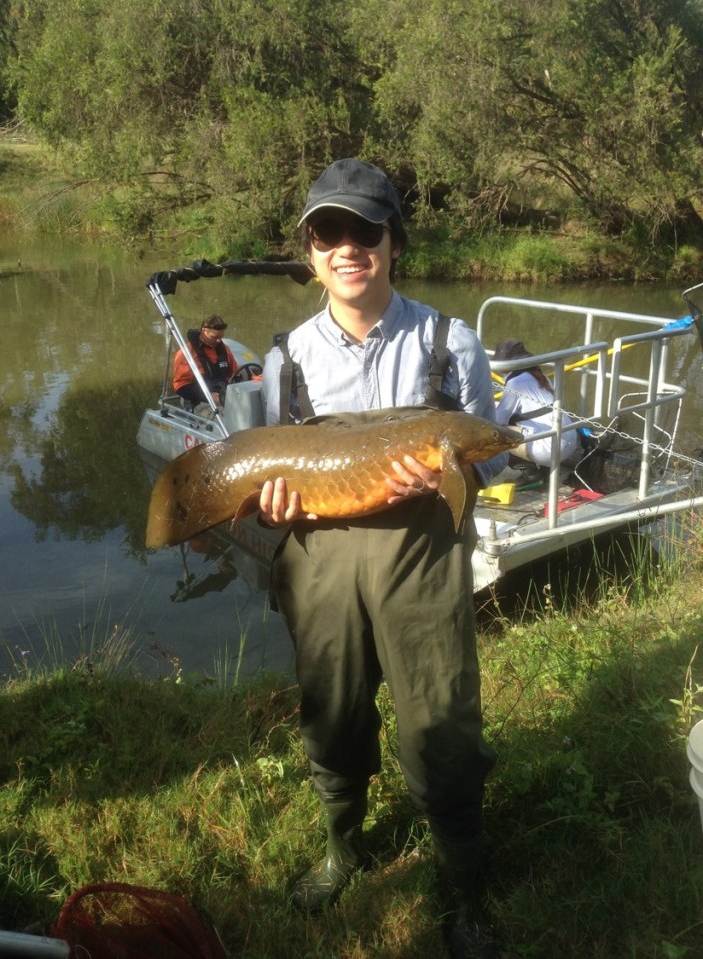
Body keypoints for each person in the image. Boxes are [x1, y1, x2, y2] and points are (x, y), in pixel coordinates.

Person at [260, 157, 505, 958]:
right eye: (329, 231)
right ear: (310, 252)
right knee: (330, 708)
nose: (347, 246)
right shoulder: (284, 357)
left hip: (421, 558)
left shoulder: (449, 338)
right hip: (321, 555)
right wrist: (271, 502)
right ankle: (342, 848)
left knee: (442, 717)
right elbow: (270, 473)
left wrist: (454, 469)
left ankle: (462, 891)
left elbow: (492, 456)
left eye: (365, 229)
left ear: (394, 241)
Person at [492, 338, 578, 487]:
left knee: (494, 433)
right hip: (569, 441)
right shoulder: (539, 376)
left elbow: (498, 420)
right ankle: (545, 471)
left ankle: (530, 474)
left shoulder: (515, 382)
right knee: (532, 420)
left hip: (549, 449)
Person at [172, 314, 239, 412]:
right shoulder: (187, 353)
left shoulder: (225, 350)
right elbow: (181, 386)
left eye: (221, 337)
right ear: (204, 331)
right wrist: (207, 395)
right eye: (214, 337)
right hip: (198, 401)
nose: (218, 340)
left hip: (223, 397)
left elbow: (235, 375)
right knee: (228, 416)